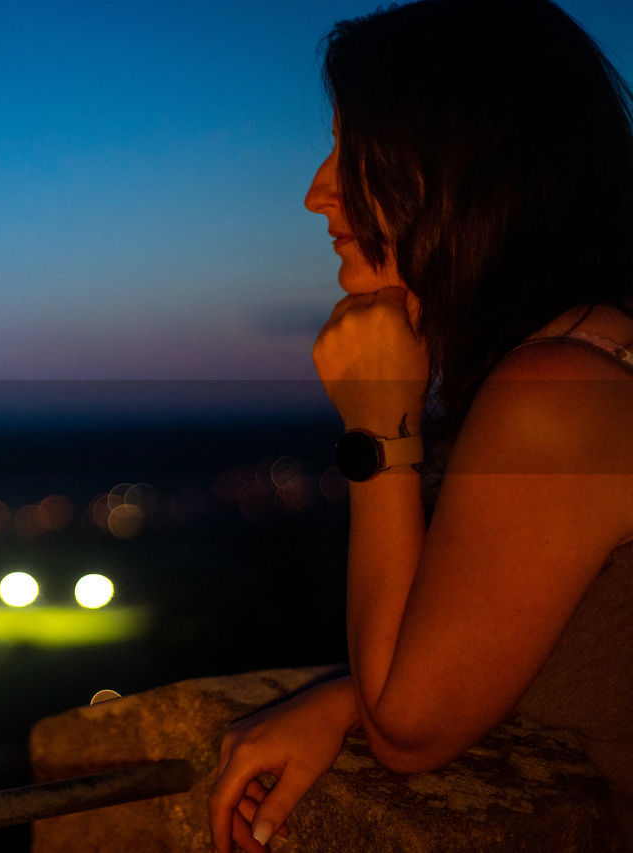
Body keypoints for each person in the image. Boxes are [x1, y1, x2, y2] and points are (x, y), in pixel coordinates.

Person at [207, 0, 633, 850]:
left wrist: (378, 432)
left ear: (461, 167)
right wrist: (342, 695)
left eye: (351, 150)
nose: (316, 192)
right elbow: (499, 630)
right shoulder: (596, 346)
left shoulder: (557, 393)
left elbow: (411, 727)